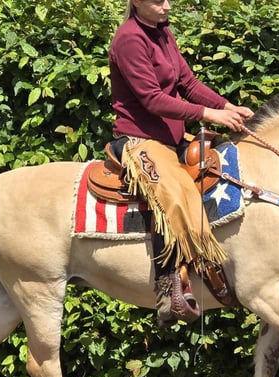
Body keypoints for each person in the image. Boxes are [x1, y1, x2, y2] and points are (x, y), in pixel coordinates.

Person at [109, 0, 254, 327]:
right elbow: (152, 99)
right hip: (140, 140)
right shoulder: (129, 39)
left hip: (173, 138)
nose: (167, 5)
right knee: (174, 194)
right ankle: (166, 290)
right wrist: (209, 114)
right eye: (158, 1)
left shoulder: (163, 33)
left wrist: (228, 106)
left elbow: (187, 84)